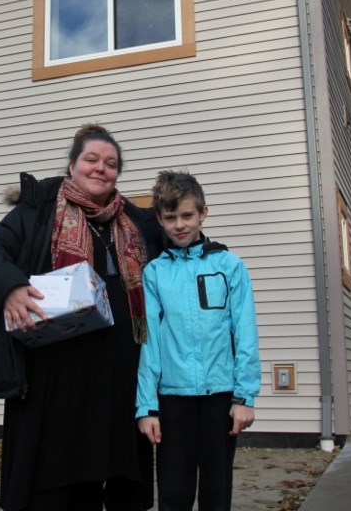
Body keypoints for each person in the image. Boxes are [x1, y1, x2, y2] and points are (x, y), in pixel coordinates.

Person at [0, 123, 165, 511]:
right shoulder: (38, 212)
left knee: (120, 475)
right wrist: (11, 287)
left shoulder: (138, 223)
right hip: (55, 378)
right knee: (57, 479)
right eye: (91, 159)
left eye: (110, 163)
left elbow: (181, 238)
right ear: (72, 165)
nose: (100, 168)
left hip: (120, 378)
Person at [135, 171, 261, 511]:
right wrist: (146, 407)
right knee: (174, 493)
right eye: (171, 217)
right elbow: (147, 340)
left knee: (216, 494)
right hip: (173, 401)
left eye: (187, 215)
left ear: (203, 213)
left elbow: (245, 332)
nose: (180, 224)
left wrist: (245, 396)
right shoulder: (154, 273)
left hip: (221, 399)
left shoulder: (230, 266)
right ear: (159, 219)